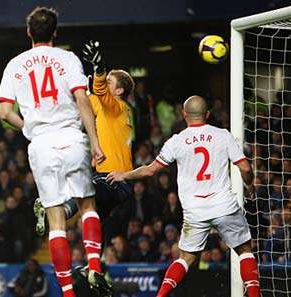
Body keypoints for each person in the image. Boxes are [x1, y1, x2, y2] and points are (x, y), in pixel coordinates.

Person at [0, 7, 110, 297]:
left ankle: (68, 292)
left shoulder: (15, 64)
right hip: (72, 137)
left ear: (28, 32)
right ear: (55, 32)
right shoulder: (67, 59)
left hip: (42, 144)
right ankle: (94, 265)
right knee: (87, 205)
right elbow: (82, 100)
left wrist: (29, 129)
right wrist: (95, 141)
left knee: (56, 220)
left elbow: (5, 112)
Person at [106, 95, 260, 297]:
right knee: (244, 250)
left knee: (185, 258)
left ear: (183, 114)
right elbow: (246, 168)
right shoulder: (223, 135)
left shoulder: (176, 141)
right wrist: (249, 185)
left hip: (194, 211)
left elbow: (149, 171)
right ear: (207, 114)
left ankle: (160, 296)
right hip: (224, 205)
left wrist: (122, 175)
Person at [34, 40, 135, 245]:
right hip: (104, 176)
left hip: (117, 178)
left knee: (84, 190)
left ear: (119, 92)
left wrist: (99, 70)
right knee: (96, 221)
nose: (104, 85)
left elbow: (98, 91)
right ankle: (95, 268)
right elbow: (81, 99)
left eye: (109, 82)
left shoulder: (119, 108)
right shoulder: (106, 107)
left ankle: (53, 211)